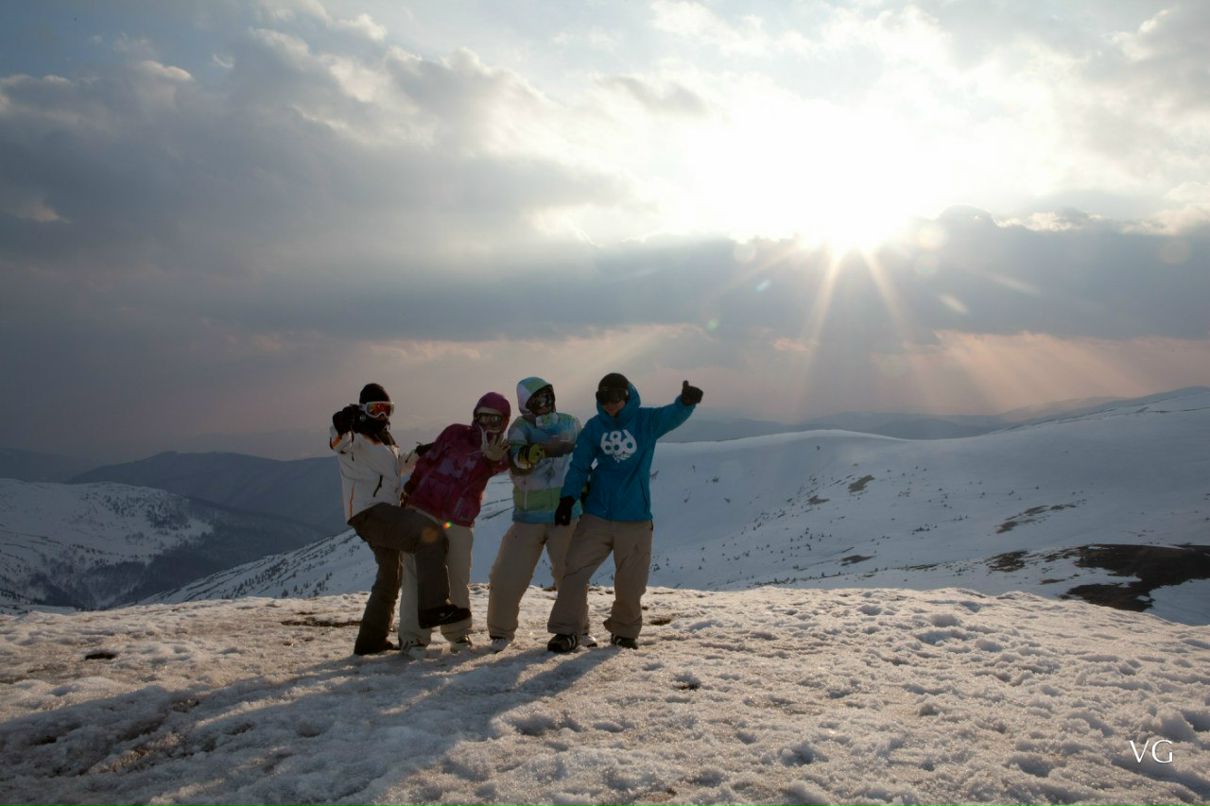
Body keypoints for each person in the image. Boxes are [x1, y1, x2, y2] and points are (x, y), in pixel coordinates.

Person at [546, 373, 702, 652]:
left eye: (615, 398)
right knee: (575, 571)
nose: (610, 405)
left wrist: (686, 403)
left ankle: (624, 631)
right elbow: (580, 465)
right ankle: (566, 631)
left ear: (627, 395)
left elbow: (672, 415)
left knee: (631, 580)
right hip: (597, 514)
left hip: (635, 517)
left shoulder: (646, 421)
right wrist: (567, 500)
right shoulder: (594, 428)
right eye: (603, 399)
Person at [330, 383, 471, 656]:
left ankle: (370, 642)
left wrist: (419, 454)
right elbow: (338, 443)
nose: (381, 415)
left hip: (383, 511)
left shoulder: (384, 437)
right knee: (429, 535)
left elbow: (395, 470)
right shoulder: (355, 435)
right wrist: (341, 424)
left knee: (389, 577)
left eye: (386, 409)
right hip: (370, 512)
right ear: (362, 409)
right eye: (375, 409)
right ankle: (433, 607)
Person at [395, 392, 512, 654]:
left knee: (458, 575)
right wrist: (410, 490)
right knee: (416, 574)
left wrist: (491, 460)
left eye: (495, 419)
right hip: (423, 507)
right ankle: (413, 637)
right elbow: (427, 462)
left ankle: (458, 634)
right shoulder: (454, 433)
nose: (488, 424)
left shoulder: (501, 451)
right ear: (475, 415)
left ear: (504, 422)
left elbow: (498, 467)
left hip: (459, 519)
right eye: (483, 416)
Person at [486, 376, 593, 652]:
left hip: (566, 513)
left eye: (547, 397)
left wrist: (586, 492)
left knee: (570, 574)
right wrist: (536, 452)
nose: (545, 404)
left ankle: (578, 629)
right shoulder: (520, 428)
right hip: (528, 516)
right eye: (538, 400)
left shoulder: (570, 423)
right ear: (526, 405)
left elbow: (583, 460)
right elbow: (518, 459)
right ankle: (501, 632)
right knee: (508, 574)